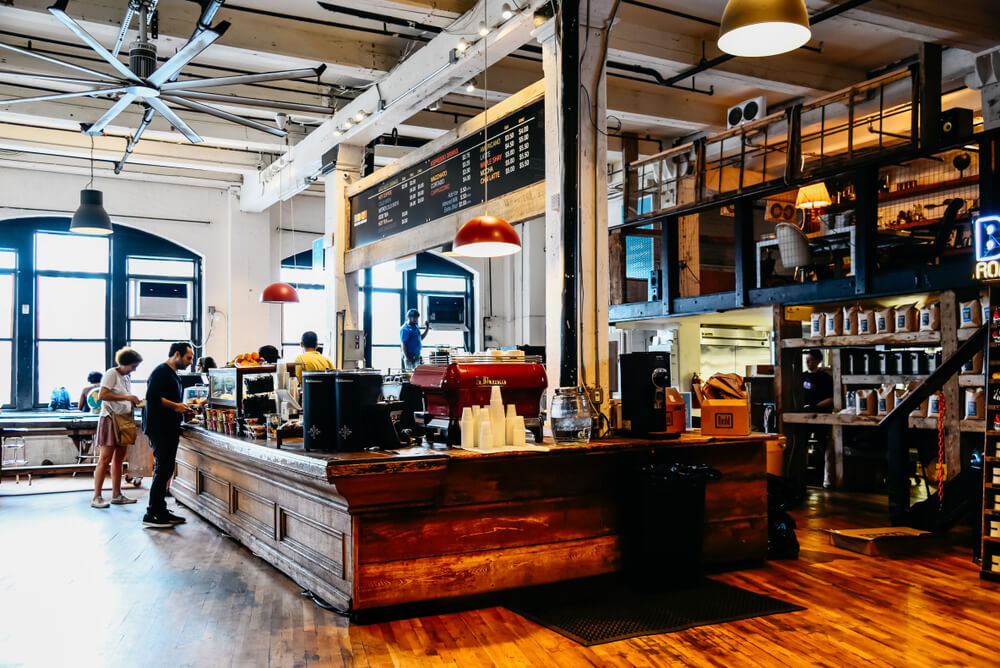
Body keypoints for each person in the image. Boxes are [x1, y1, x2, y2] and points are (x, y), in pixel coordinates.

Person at [142, 342, 195, 529]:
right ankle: (153, 513)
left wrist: (182, 411)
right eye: (188, 358)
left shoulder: (172, 374)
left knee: (165, 470)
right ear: (177, 354)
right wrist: (176, 406)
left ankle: (160, 509)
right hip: (159, 428)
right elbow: (151, 398)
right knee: (162, 470)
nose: (190, 362)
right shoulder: (161, 372)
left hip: (167, 427)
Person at [91, 348, 143, 509]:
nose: (135, 369)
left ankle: (117, 494)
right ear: (125, 363)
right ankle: (97, 496)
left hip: (123, 420)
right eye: (133, 365)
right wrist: (127, 397)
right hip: (110, 419)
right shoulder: (111, 373)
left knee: (119, 459)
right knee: (105, 459)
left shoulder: (126, 377)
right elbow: (102, 395)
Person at [801, 349, 835, 489]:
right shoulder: (802, 377)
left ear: (819, 361)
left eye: (811, 360)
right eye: (807, 360)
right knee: (802, 444)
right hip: (805, 415)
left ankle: (823, 477)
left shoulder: (825, 378)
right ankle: (804, 476)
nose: (809, 363)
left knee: (822, 445)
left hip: (822, 415)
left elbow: (831, 398)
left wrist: (816, 406)